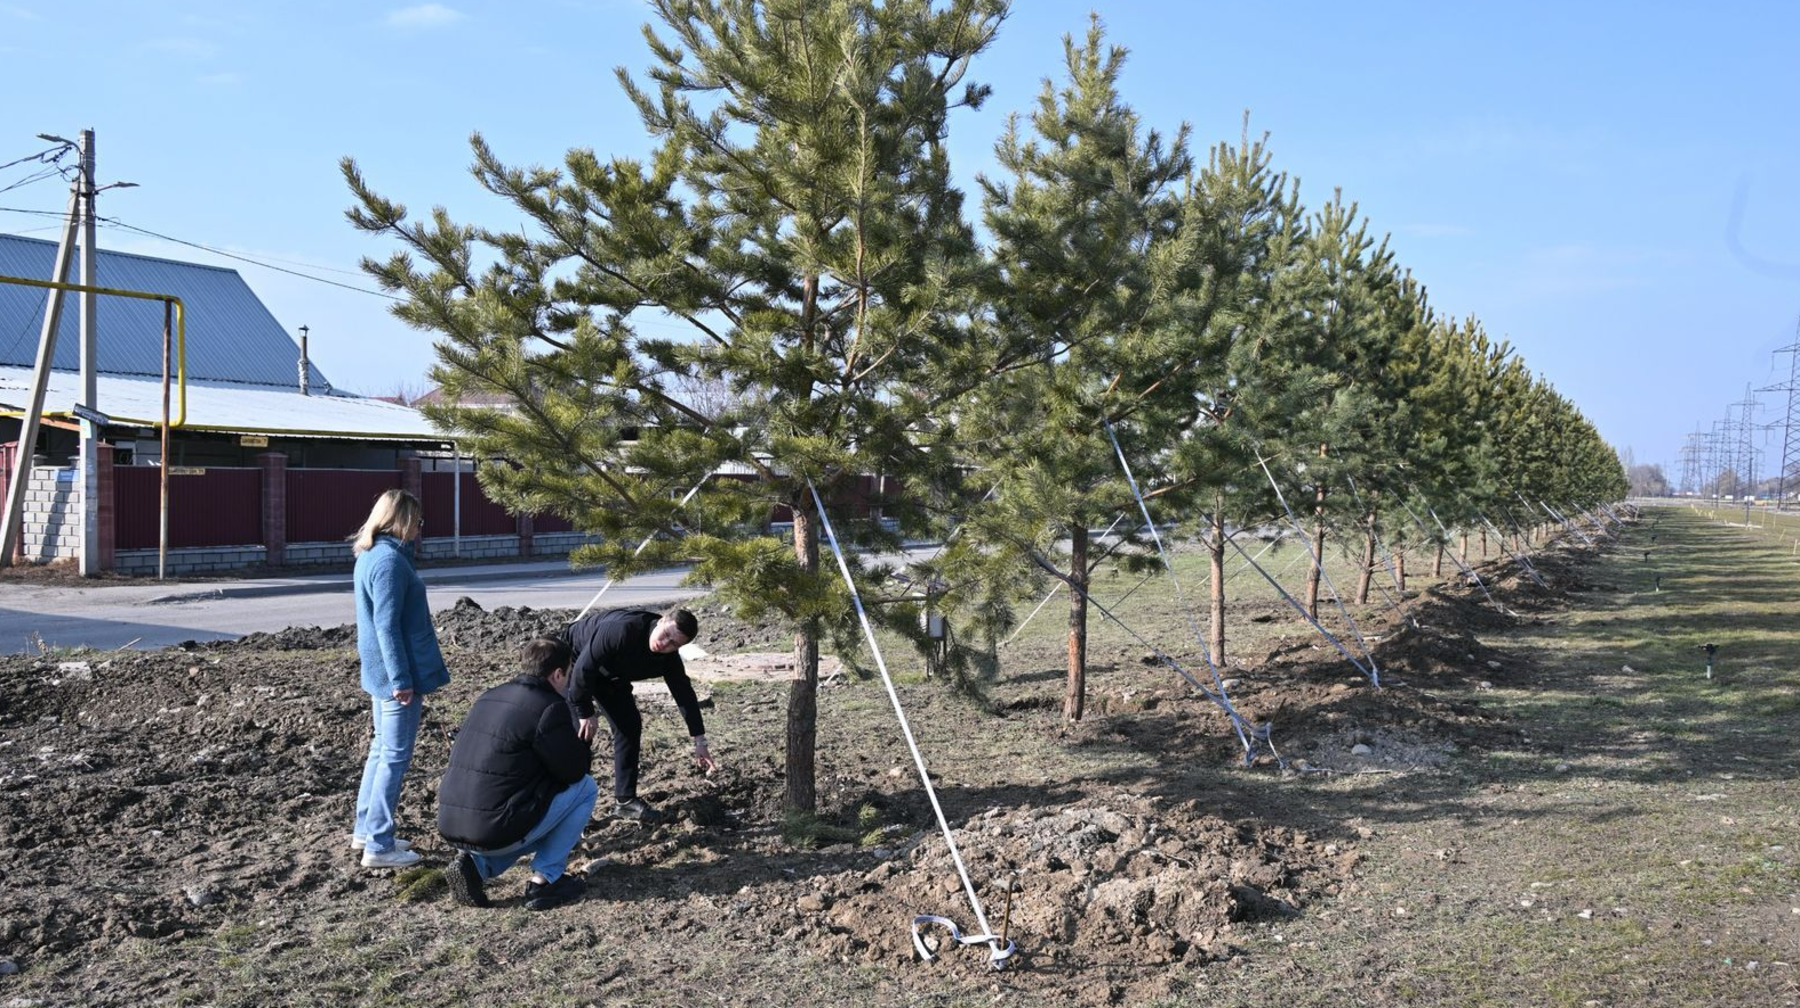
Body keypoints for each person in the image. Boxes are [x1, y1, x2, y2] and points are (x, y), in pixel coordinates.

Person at [437, 636, 598, 911]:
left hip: (451, 822)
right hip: (495, 828)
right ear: (558, 674)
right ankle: (545, 881)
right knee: (586, 789)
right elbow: (573, 772)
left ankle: (477, 866)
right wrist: (583, 740)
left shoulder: (488, 696)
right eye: (568, 674)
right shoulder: (549, 707)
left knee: (522, 808)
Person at [350, 488, 450, 869]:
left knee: (380, 751)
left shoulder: (371, 555)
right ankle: (379, 844)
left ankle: (366, 829)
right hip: (395, 675)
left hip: (381, 673)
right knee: (394, 756)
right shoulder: (389, 563)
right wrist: (401, 679)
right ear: (401, 520)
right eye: (418, 522)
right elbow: (386, 626)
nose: (420, 529)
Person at [565, 606, 715, 823]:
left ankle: (625, 802)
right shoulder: (623, 630)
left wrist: (699, 740)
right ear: (662, 621)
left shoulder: (668, 657)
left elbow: (683, 693)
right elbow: (584, 668)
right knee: (580, 732)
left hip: (610, 672)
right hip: (574, 657)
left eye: (674, 644)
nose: (664, 645)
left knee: (629, 725)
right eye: (666, 636)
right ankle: (573, 810)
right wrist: (584, 710)